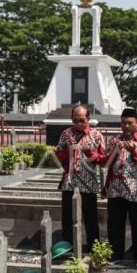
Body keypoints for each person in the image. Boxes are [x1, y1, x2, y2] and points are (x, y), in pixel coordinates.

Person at [86, 108, 137, 267]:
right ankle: (116, 253)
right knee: (115, 223)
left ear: (136, 124)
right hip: (115, 189)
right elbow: (104, 162)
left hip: (136, 190)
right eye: (123, 123)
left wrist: (135, 151)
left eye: (130, 123)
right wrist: (109, 152)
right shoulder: (113, 140)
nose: (126, 126)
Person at [55, 105, 103, 251]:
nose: (78, 124)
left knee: (90, 216)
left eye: (82, 120)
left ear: (88, 119)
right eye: (75, 120)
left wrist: (90, 154)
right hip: (70, 181)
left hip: (89, 181)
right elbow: (58, 156)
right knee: (67, 216)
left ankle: (93, 248)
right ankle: (68, 246)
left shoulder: (96, 135)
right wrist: (68, 151)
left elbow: (103, 159)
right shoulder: (66, 134)